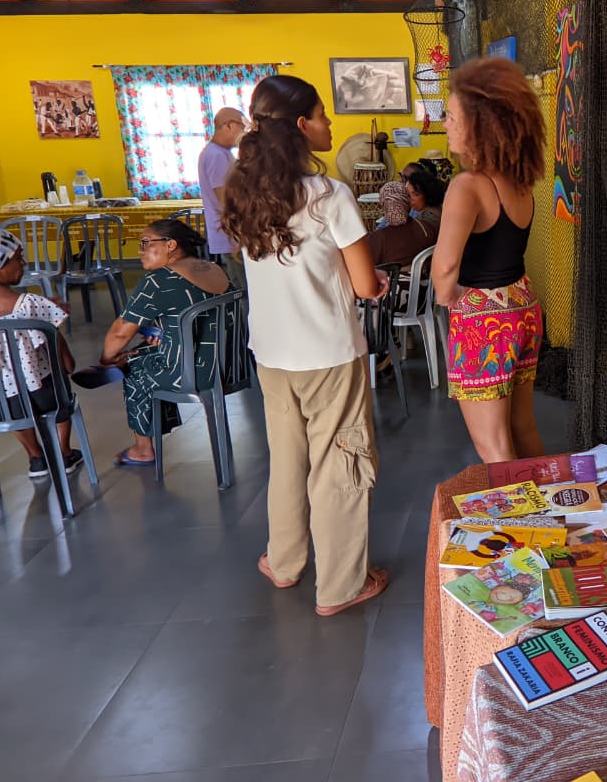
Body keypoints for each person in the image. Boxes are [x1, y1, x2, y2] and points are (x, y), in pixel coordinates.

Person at [221, 73, 391, 618]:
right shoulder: (329, 196)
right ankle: (341, 585)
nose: (330, 122)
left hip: (272, 353)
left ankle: (285, 561)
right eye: (321, 114)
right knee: (340, 463)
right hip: (328, 353)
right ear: (301, 125)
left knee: (288, 459)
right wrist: (375, 282)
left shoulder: (242, 191)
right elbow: (363, 284)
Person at [432, 57, 546, 464]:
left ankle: (521, 509)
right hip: (523, 307)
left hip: (484, 322)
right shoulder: (519, 181)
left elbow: (446, 266)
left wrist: (446, 296)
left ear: (480, 125)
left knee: (493, 446)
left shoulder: (467, 186)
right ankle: (556, 499)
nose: (445, 124)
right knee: (523, 428)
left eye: (452, 116)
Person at [99, 219, 230, 466]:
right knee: (147, 352)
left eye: (146, 243)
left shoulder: (159, 280)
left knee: (134, 366)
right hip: (229, 367)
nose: (140, 250)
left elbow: (119, 334)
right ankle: (154, 432)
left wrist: (107, 360)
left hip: (196, 374)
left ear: (170, 245)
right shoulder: (215, 268)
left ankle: (144, 448)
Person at [0, 228, 82, 480]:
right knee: (58, 379)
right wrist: (50, 316)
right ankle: (62, 452)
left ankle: (36, 457)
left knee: (7, 390)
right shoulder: (30, 304)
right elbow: (68, 364)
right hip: (43, 398)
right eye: (18, 257)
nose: (24, 263)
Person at [198, 107, 247, 281]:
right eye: (242, 127)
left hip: (232, 234)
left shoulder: (221, 153)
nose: (244, 133)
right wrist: (238, 236)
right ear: (229, 125)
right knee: (244, 290)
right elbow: (226, 200)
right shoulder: (216, 155)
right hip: (232, 236)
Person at [365, 175, 443, 269]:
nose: (411, 199)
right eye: (408, 195)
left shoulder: (378, 238)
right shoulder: (426, 229)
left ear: (382, 204)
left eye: (415, 194)